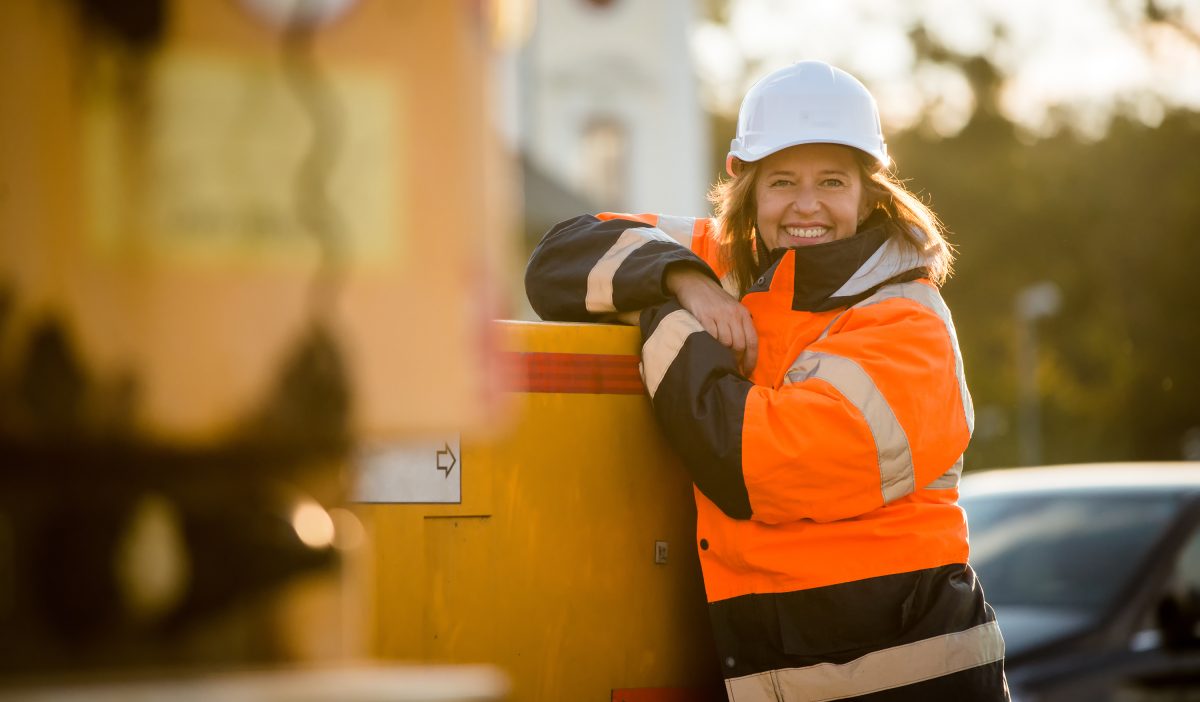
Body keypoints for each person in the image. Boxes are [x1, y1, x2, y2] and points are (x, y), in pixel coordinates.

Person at [525, 60, 1008, 701]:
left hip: (911, 682)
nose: (807, 206)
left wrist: (661, 315)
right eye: (782, 181)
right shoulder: (730, 262)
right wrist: (685, 281)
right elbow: (558, 259)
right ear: (746, 187)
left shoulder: (907, 327)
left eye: (832, 182)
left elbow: (746, 463)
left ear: (870, 192)